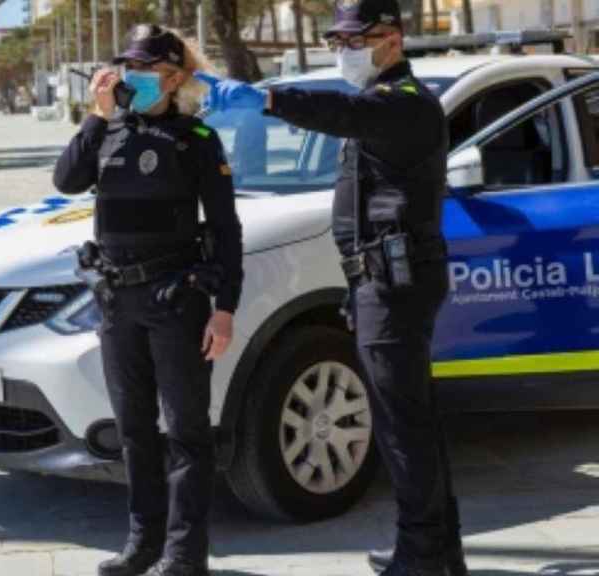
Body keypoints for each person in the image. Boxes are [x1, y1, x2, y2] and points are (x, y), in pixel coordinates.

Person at [198, 1, 464, 575]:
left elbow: (341, 112)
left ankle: (422, 555)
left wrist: (267, 97)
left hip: (396, 284)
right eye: (335, 38)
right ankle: (440, 551)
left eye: (352, 38)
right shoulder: (381, 106)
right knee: (411, 421)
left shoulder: (406, 105)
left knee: (400, 426)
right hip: (379, 282)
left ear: (391, 38)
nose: (342, 49)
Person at [53, 24, 243, 576]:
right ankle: (142, 543)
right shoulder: (110, 131)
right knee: (133, 429)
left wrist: (225, 307)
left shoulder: (197, 141)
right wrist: (97, 112)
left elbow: (227, 231)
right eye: (127, 67)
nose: (133, 77)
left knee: (185, 430)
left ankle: (186, 555)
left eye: (145, 69)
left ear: (176, 76)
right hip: (117, 301)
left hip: (175, 300)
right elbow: (66, 180)